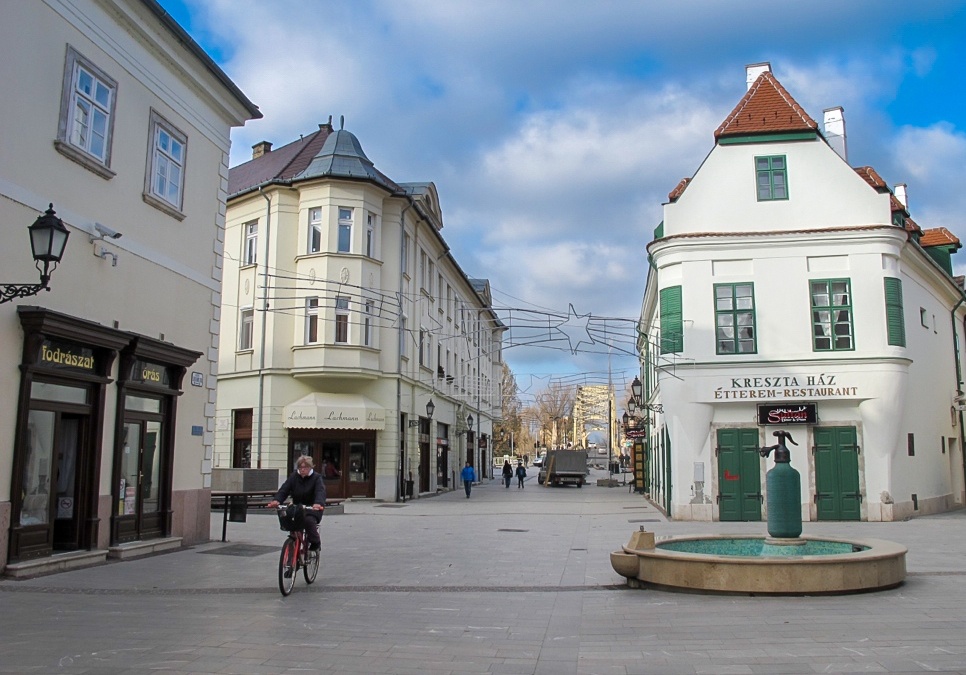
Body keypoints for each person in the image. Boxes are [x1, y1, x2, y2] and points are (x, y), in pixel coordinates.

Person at [267, 456, 326, 550]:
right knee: (288, 518)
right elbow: (284, 490)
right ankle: (292, 551)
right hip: (297, 507)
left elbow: (320, 491)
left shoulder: (316, 478)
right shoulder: (294, 477)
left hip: (311, 508)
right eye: (300, 467)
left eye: (305, 467)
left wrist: (318, 503)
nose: (302, 470)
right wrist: (277, 500)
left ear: (311, 467)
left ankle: (315, 542)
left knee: (308, 521)